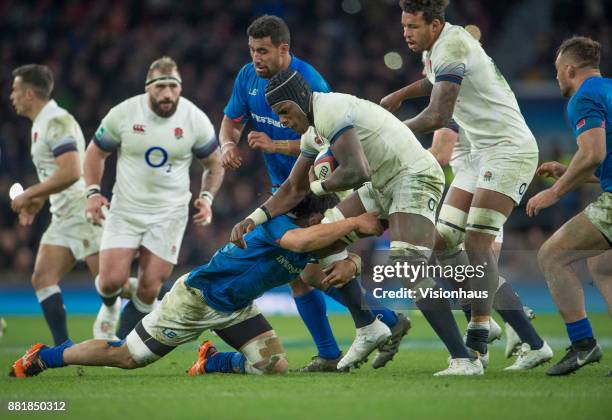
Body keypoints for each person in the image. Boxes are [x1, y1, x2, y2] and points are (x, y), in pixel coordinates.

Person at [230, 69, 485, 375]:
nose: (282, 121)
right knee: (315, 249)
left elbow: (356, 171)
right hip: (382, 183)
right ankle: (368, 327)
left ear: (300, 99)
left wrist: (315, 190)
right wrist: (254, 218)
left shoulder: (330, 111)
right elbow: (292, 188)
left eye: (284, 112)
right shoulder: (313, 130)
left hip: (413, 175)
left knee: (408, 267)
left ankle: (464, 359)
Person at [9, 196, 383, 378]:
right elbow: (304, 242)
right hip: (195, 300)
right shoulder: (279, 227)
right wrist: (357, 223)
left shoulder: (307, 240)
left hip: (236, 308)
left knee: (274, 367)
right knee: (127, 358)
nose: (326, 220)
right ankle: (47, 356)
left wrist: (354, 260)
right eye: (323, 216)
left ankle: (212, 360)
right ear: (310, 215)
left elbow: (321, 266)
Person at [220, 15, 407, 371]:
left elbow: (325, 146)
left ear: (283, 49)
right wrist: (227, 143)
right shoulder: (247, 77)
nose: (255, 58)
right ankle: (364, 332)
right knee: (302, 275)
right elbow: (231, 119)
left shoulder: (311, 83)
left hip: (316, 185)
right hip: (284, 186)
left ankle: (368, 327)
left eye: (263, 51)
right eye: (252, 50)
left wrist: (275, 145)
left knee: (309, 266)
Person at [381, 0, 539, 371]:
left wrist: (389, 131)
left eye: (413, 27)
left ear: (435, 25)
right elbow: (433, 80)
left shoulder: (452, 44)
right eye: (404, 26)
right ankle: (527, 335)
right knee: (442, 242)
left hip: (506, 150)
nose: (406, 33)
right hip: (476, 155)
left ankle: (479, 333)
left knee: (475, 242)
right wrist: (402, 94)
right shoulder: (438, 49)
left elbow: (439, 113)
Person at [85, 56, 224, 341]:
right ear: (148, 87)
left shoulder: (194, 119)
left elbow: (215, 162)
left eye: (174, 86)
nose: (168, 94)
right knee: (111, 281)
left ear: (180, 88)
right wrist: (93, 193)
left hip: (169, 213)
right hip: (126, 208)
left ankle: (123, 345)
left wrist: (207, 197)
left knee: (149, 287)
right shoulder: (124, 113)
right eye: (161, 86)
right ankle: (110, 307)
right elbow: (95, 152)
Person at [526, 36, 611, 376]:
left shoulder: (583, 96)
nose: (557, 78)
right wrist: (570, 173)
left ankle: (582, 345)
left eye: (557, 71)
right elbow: (602, 165)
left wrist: (555, 192)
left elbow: (593, 154)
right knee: (603, 267)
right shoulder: (608, 90)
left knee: (552, 255)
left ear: (570, 69)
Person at [9, 64, 102, 346]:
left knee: (114, 287)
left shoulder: (56, 122)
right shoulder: (42, 124)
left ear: (28, 93)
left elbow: (72, 171)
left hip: (81, 210)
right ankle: (64, 347)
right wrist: (38, 199)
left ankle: (170, 304)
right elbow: (59, 175)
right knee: (42, 277)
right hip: (63, 214)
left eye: (14, 90)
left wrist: (29, 194)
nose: (10, 96)